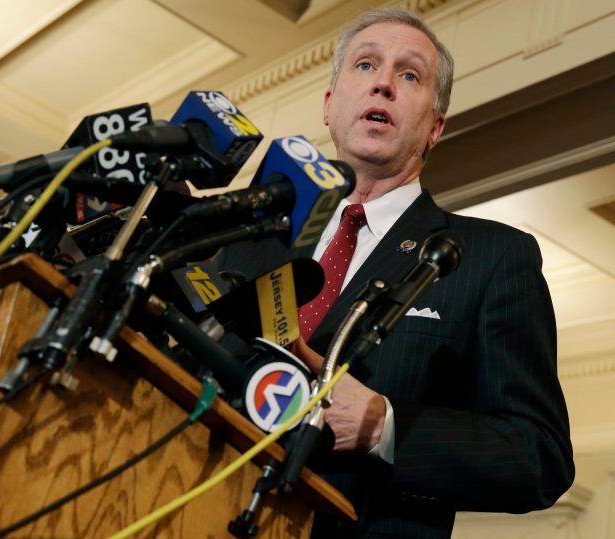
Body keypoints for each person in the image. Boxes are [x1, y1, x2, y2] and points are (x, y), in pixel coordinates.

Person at [216, 7, 575, 538]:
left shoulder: (492, 256)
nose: (383, 83)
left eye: (409, 75)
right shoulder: (249, 238)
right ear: (330, 105)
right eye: (365, 65)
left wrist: (384, 424)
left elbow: (538, 456)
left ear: (435, 127)